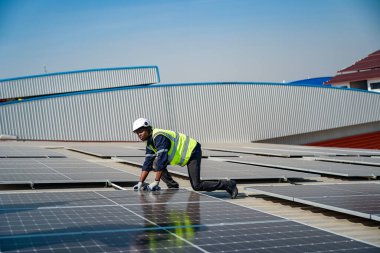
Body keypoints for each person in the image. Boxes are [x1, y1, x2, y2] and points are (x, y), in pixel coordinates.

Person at [132, 118, 238, 199]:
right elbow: (147, 163)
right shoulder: (150, 143)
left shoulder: (159, 136)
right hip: (183, 155)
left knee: (197, 186)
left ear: (148, 128)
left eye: (141, 131)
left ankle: (228, 184)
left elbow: (162, 160)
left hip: (192, 151)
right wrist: (140, 182)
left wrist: (156, 182)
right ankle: (173, 186)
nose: (139, 135)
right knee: (154, 163)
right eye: (137, 133)